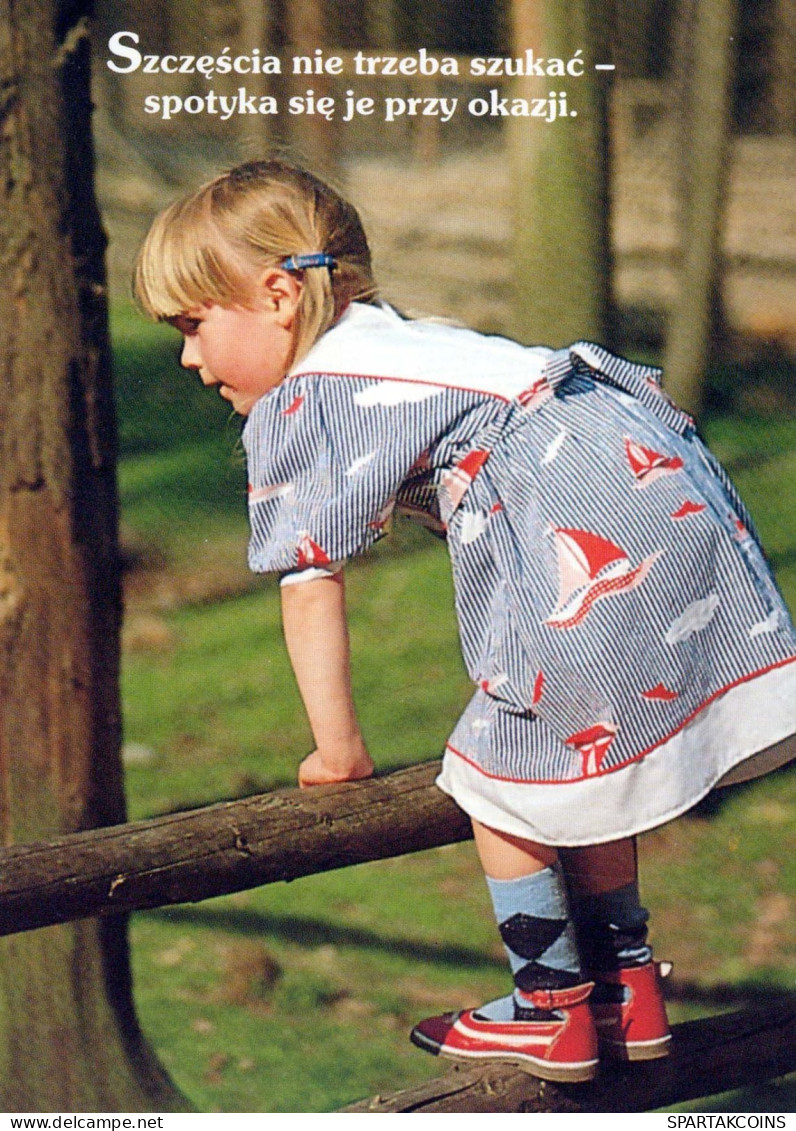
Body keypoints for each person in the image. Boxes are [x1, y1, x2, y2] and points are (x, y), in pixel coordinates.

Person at [134, 159, 796, 1084]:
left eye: (193, 324)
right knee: (584, 742)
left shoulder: (308, 391)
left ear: (278, 296)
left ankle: (551, 1007)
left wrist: (338, 749)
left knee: (497, 762)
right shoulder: (408, 342)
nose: (189, 359)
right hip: (656, 470)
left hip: (575, 501)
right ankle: (626, 986)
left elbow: (306, 575)